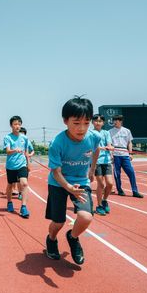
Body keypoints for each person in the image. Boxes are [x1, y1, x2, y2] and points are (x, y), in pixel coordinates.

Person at [45, 97, 101, 265]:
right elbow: (55, 172)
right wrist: (68, 187)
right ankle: (51, 239)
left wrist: (92, 169)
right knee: (58, 222)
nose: (82, 128)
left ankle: (73, 237)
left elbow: (96, 149)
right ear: (65, 121)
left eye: (86, 123)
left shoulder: (94, 137)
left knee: (86, 217)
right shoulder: (57, 143)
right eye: (76, 123)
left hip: (81, 181)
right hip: (59, 183)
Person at [109, 115, 143, 198]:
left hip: (125, 154)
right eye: (114, 120)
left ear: (121, 121)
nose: (115, 122)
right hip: (116, 154)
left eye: (117, 120)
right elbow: (109, 144)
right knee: (117, 174)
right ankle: (120, 190)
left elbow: (129, 142)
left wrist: (130, 153)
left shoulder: (127, 131)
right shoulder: (110, 131)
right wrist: (111, 155)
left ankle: (135, 191)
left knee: (131, 172)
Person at [3, 116, 31, 218]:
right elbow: (7, 151)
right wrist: (15, 150)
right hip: (11, 165)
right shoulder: (7, 137)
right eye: (15, 124)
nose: (17, 126)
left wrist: (28, 163)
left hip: (22, 164)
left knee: (24, 184)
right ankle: (9, 202)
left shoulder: (25, 138)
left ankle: (23, 207)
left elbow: (27, 152)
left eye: (19, 124)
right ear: (11, 125)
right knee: (10, 185)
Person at [91, 114, 115, 215]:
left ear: (103, 123)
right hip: (97, 162)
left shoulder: (106, 133)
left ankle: (104, 200)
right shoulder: (90, 133)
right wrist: (101, 148)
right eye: (96, 121)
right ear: (92, 122)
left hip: (107, 161)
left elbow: (109, 144)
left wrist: (111, 148)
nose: (98, 123)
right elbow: (91, 146)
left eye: (100, 121)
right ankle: (99, 205)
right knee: (100, 184)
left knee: (110, 183)